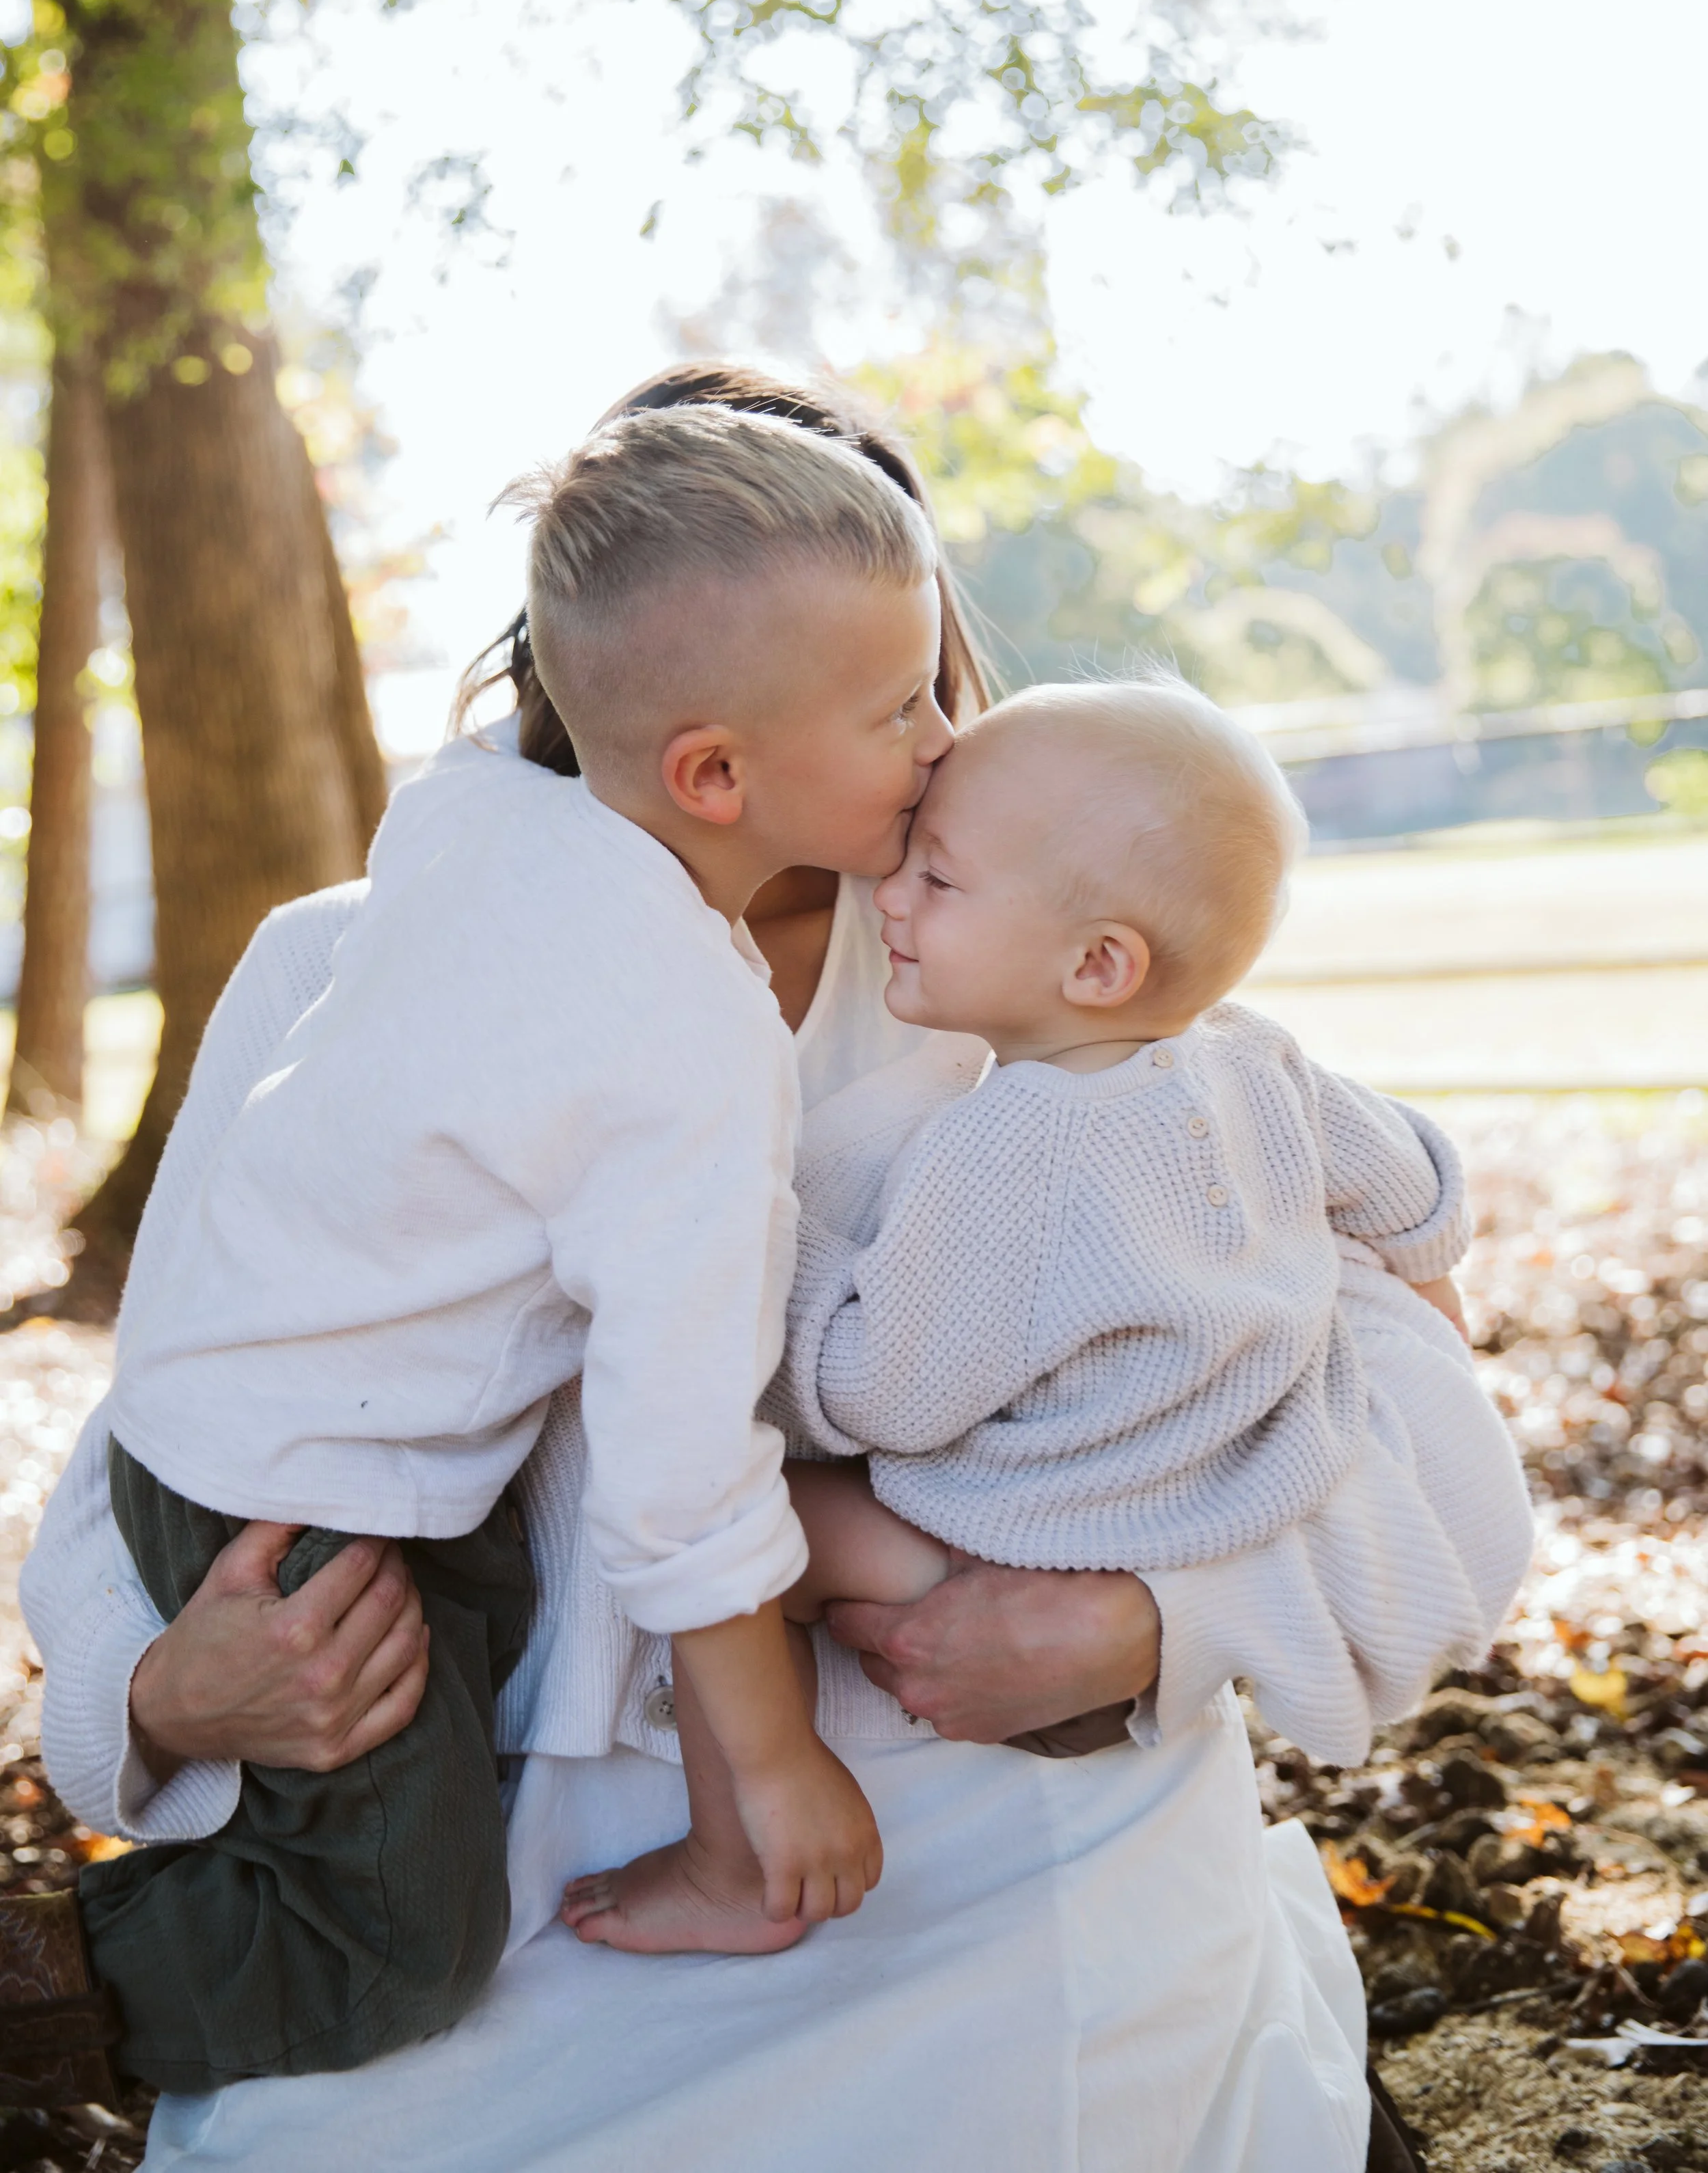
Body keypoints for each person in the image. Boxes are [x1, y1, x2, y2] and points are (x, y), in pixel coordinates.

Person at [15, 363, 1517, 2170]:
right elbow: (168, 1424)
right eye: (876, 698)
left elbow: (1428, 1435)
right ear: (685, 716)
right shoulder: (363, 962)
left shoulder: (1057, 975)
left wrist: (1136, 1627)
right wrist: (159, 1697)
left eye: (923, 676)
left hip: (993, 1832)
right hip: (532, 1857)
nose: (932, 740)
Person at [5, 402, 954, 2097]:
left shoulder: (474, 827)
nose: (943, 734)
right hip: (289, 1511)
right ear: (715, 773)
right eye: (898, 707)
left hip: (275, 1441)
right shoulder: (685, 1038)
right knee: (384, 1942)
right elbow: (677, 1473)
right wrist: (777, 1771)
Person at [560, 673, 1530, 1952]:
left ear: (1095, 962)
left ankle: (741, 1854)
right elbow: (1408, 1181)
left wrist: (766, 1259)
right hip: (1211, 1515)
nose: (894, 896)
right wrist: (1432, 1283)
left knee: (736, 1521)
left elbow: (874, 1391)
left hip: (1018, 1568)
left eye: (940, 882)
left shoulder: (1009, 1148)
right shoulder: (1252, 1055)